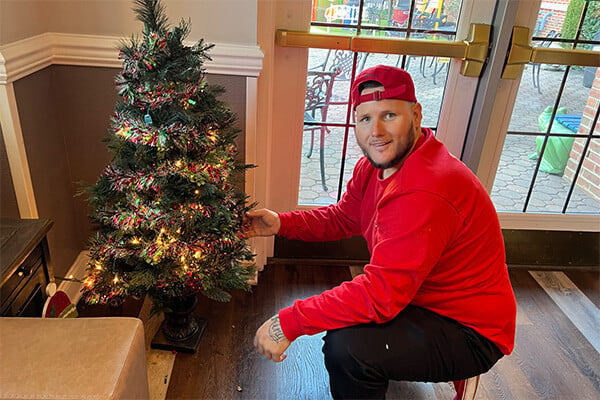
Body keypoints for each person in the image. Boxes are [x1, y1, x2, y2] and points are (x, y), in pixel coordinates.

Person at [246, 64, 516, 400]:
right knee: (346, 318)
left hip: (470, 329)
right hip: (419, 297)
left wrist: (289, 321)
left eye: (389, 115)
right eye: (364, 118)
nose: (376, 131)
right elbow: (344, 217)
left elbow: (381, 294)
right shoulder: (377, 166)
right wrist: (282, 223)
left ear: (416, 115)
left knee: (349, 348)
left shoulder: (426, 189)